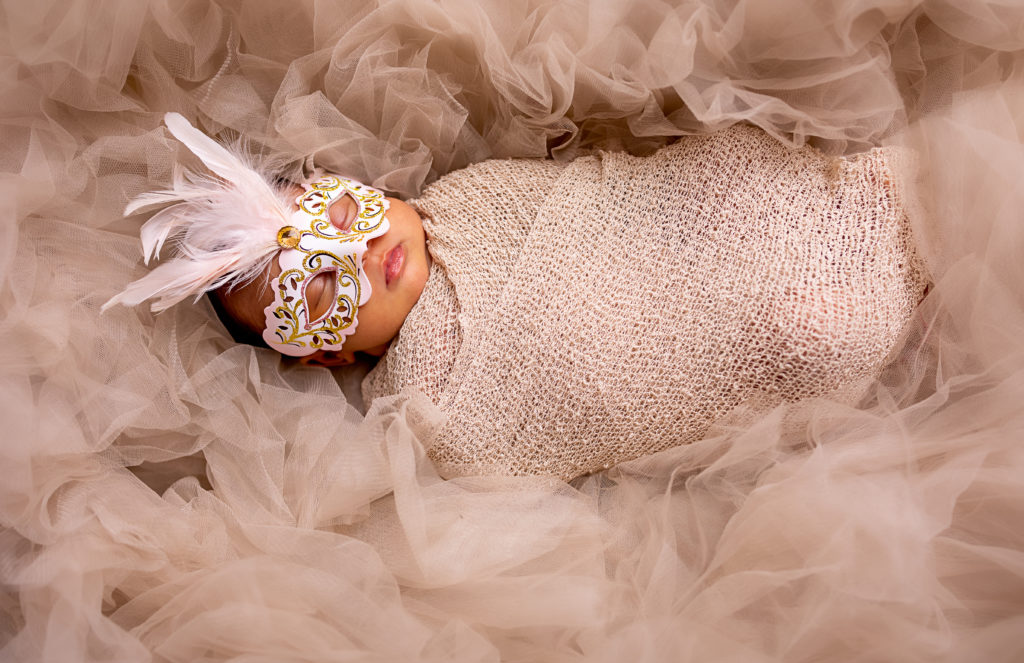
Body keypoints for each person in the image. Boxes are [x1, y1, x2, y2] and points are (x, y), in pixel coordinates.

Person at [107, 113, 928, 480]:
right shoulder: (423, 401)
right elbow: (529, 431)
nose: (359, 251)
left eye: (343, 214)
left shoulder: (468, 197)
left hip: (705, 212)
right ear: (330, 350)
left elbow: (612, 198)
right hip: (727, 334)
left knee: (734, 183)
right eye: (321, 284)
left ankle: (866, 205)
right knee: (807, 327)